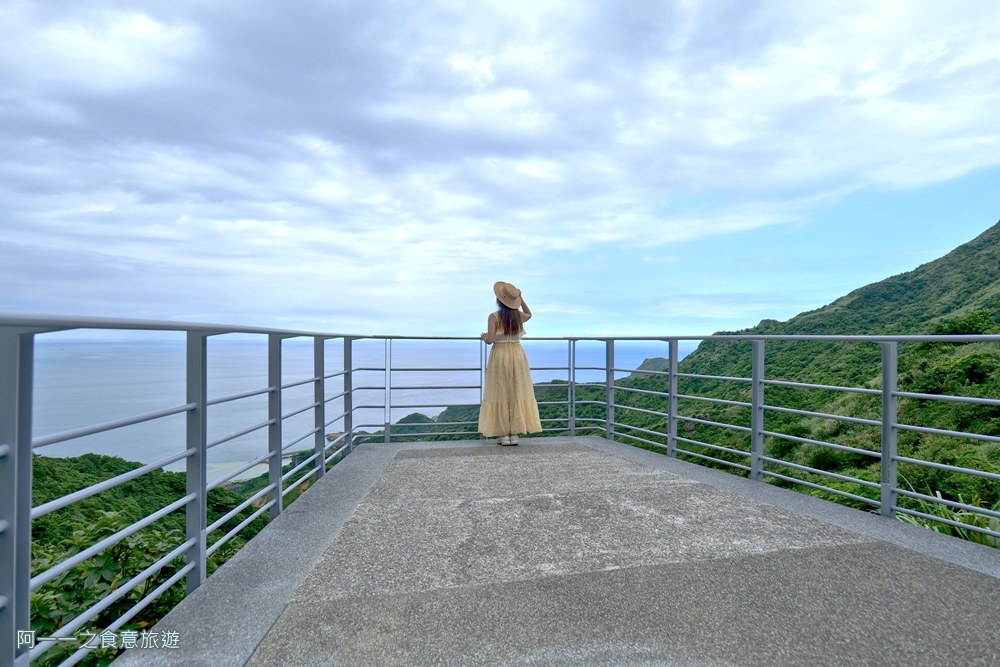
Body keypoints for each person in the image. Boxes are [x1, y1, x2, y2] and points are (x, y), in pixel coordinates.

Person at [478, 281, 543, 445]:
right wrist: (521, 298)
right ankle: (514, 434)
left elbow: (490, 340)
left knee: (500, 391)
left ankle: (503, 434)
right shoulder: (518, 316)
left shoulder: (493, 316)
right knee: (516, 390)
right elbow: (529, 314)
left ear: (499, 300)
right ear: (514, 301)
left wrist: (484, 336)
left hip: (500, 355)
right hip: (517, 354)